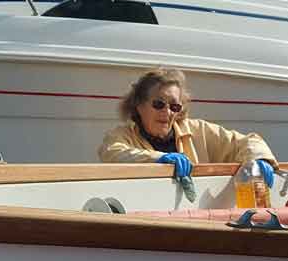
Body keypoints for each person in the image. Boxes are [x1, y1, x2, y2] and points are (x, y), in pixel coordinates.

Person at [98, 68, 278, 188]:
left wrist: (260, 160)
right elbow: (111, 153)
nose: (167, 112)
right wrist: (160, 159)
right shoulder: (122, 135)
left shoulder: (199, 130)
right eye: (159, 104)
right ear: (139, 105)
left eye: (175, 107)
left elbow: (247, 142)